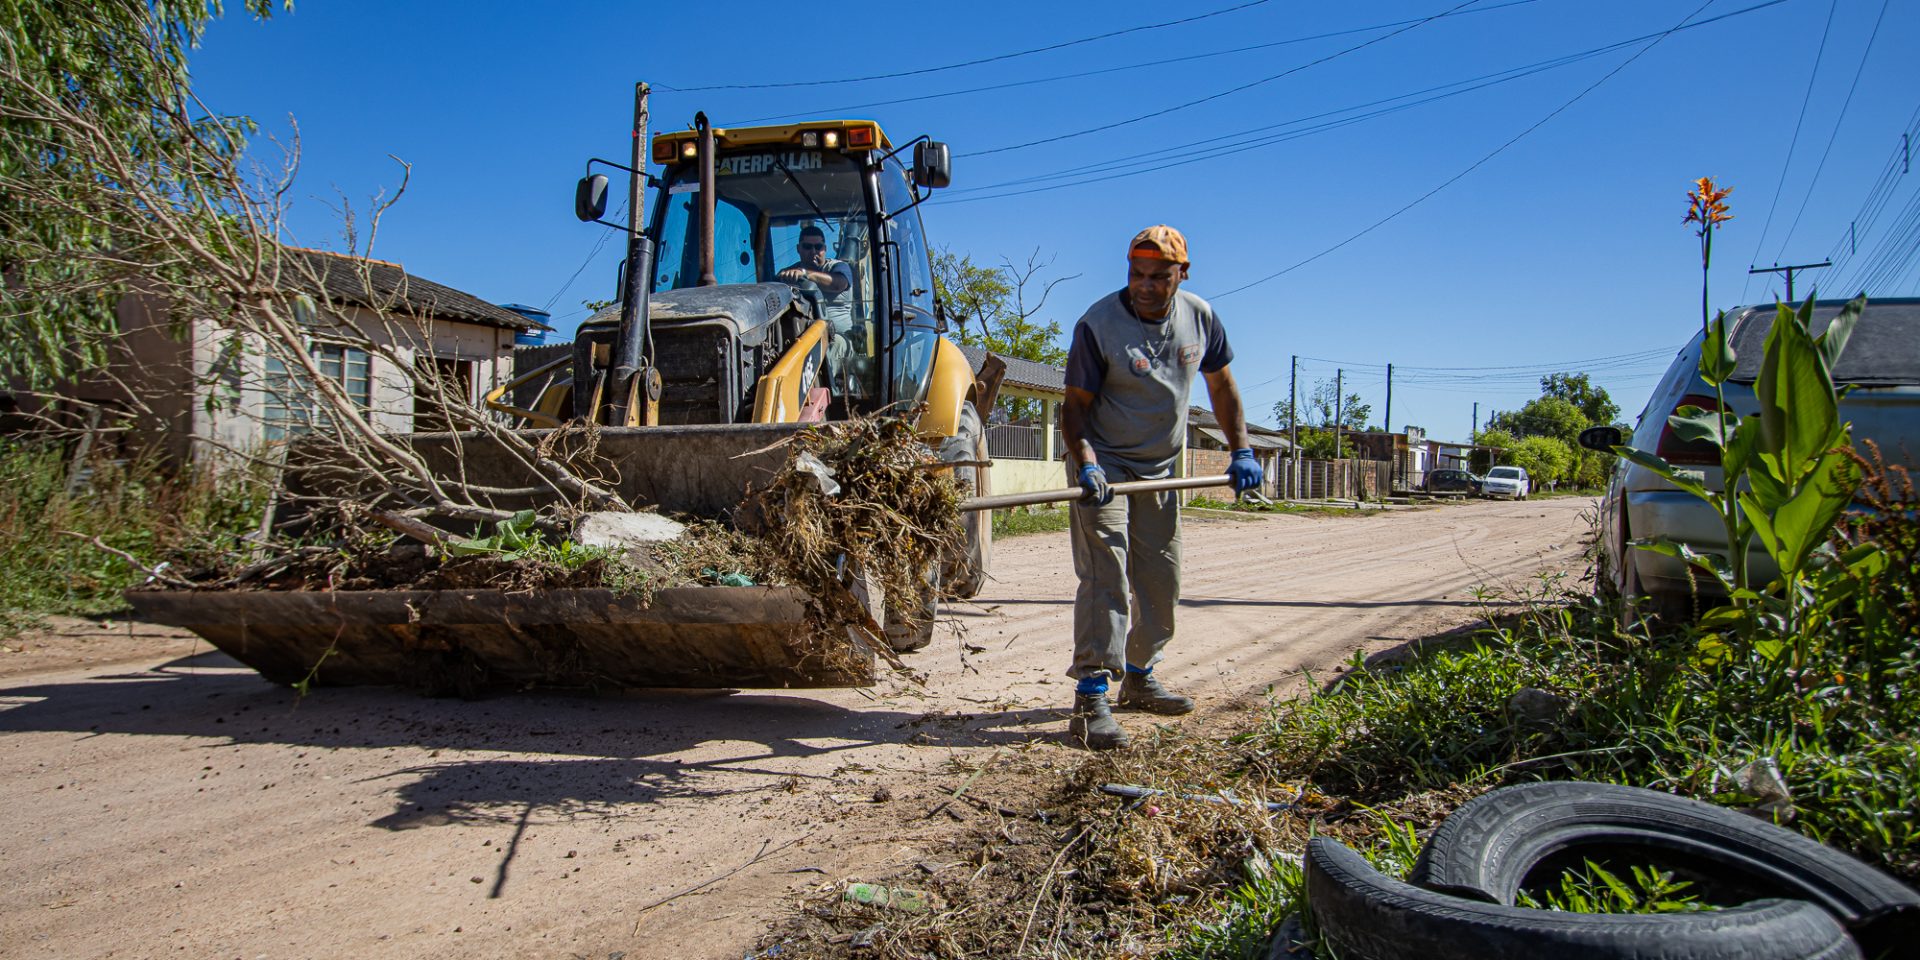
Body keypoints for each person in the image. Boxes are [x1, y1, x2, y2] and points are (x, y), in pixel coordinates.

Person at [1059, 225, 1261, 750]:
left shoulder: (1201, 317)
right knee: (1107, 573)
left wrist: (1240, 449)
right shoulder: (1099, 324)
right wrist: (1086, 464)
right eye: (1136, 275)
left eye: (1158, 277)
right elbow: (1074, 407)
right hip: (1102, 465)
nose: (1144, 286)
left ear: (1181, 275)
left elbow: (1222, 387)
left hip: (1162, 468)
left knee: (1161, 581)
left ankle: (1140, 673)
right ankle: (1091, 695)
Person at [777, 224, 858, 392]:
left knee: (823, 353)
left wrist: (806, 274)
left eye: (818, 247)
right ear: (799, 248)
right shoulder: (789, 274)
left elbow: (838, 284)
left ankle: (827, 393)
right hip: (798, 337)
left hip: (839, 337)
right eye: (807, 247)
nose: (813, 251)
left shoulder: (838, 268)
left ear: (825, 248)